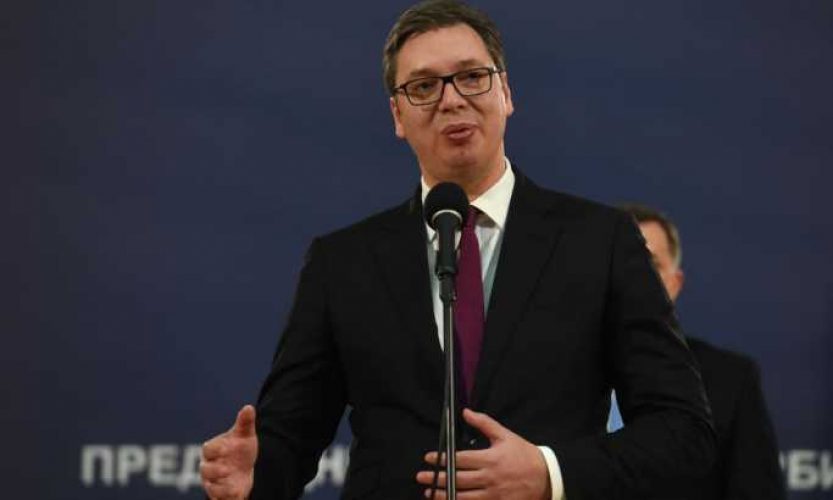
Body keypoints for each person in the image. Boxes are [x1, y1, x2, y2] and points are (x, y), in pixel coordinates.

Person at [200, 2, 716, 499]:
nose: (451, 100)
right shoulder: (342, 264)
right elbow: (290, 437)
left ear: (506, 92)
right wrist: (255, 476)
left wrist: (549, 474)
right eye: (424, 86)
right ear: (397, 115)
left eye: (471, 77)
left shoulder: (600, 241)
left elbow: (683, 433)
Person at [610, 203, 785, 500]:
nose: (634, 278)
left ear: (675, 283)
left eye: (650, 265)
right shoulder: (550, 372)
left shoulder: (731, 381)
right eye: (619, 263)